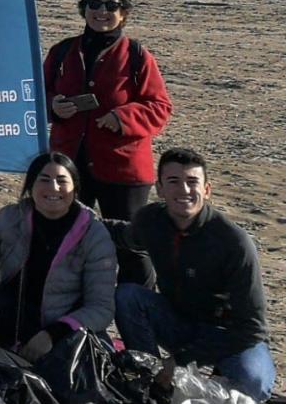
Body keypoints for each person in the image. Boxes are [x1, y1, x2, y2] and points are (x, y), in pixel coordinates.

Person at [116, 149, 274, 402]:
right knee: (127, 296)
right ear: (159, 189)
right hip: (178, 321)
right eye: (174, 182)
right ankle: (150, 379)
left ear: (207, 189)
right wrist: (77, 218)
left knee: (254, 383)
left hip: (227, 333)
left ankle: (190, 377)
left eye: (192, 182)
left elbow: (253, 328)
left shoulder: (233, 242)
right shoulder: (151, 221)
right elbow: (123, 236)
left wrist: (182, 359)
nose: (184, 191)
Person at [0, 152, 116, 363]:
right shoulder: (11, 217)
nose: (53, 188)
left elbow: (101, 308)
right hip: (9, 312)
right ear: (30, 186)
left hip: (64, 325)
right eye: (44, 180)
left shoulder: (93, 233)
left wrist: (52, 334)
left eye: (62, 181)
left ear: (75, 188)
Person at [45, 0, 172, 230]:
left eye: (111, 5)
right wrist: (53, 106)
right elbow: (34, 96)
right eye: (94, 3)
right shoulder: (62, 51)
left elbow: (160, 107)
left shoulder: (137, 55)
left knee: (130, 248)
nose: (101, 11)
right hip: (68, 166)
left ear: (123, 12)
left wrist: (122, 117)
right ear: (84, 8)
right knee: (63, 240)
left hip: (123, 169)